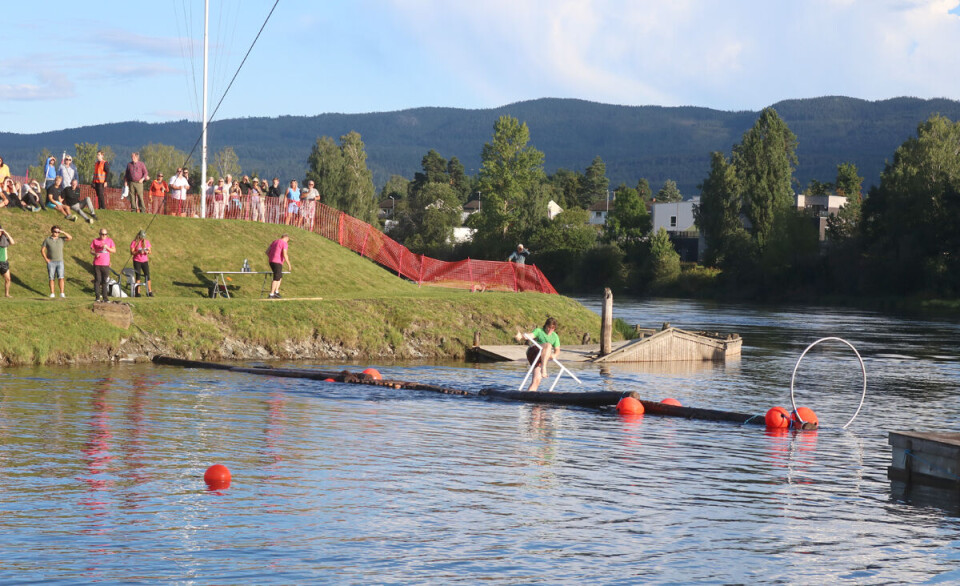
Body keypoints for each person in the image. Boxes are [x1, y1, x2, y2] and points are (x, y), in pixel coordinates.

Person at [515, 317, 561, 392]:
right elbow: (531, 335)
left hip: (541, 358)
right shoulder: (539, 331)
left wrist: (554, 355)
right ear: (545, 326)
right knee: (548, 345)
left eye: (552, 328)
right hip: (533, 351)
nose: (550, 330)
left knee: (537, 380)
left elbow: (557, 350)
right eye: (549, 327)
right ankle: (544, 369)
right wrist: (522, 336)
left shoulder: (555, 336)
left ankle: (529, 395)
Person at [41, 225, 72, 298]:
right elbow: (42, 250)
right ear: (52, 232)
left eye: (58, 232)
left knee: (61, 277)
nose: (57, 233)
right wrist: (46, 259)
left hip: (60, 261)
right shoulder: (47, 240)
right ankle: (52, 293)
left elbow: (70, 238)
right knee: (51, 278)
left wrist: (63, 232)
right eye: (55, 232)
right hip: (51, 262)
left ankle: (62, 293)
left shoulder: (61, 239)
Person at [90, 228, 115, 302]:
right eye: (102, 234)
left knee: (105, 281)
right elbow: (91, 250)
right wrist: (95, 253)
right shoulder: (95, 241)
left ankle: (105, 297)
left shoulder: (109, 241)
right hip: (97, 263)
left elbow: (114, 250)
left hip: (106, 264)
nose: (103, 236)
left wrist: (107, 247)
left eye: (105, 234)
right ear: (99, 234)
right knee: (97, 280)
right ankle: (97, 297)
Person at [266, 234, 292, 299]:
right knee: (276, 277)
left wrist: (272, 257)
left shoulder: (275, 241)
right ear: (286, 238)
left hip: (271, 261)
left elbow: (267, 252)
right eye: (288, 240)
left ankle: (276, 292)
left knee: (279, 276)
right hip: (277, 262)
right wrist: (289, 264)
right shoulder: (284, 243)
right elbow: (285, 254)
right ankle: (271, 294)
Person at [129, 230, 153, 297]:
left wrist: (147, 251)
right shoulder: (134, 242)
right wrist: (138, 252)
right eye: (141, 237)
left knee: (147, 275)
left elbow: (150, 251)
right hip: (137, 261)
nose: (142, 238)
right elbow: (132, 252)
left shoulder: (146, 242)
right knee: (138, 275)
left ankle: (149, 291)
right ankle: (137, 292)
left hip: (145, 261)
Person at [0, 224, 14, 297]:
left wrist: (6, 233)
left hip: (3, 262)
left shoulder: (4, 239)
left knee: (8, 279)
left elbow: (12, 242)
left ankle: (7, 294)